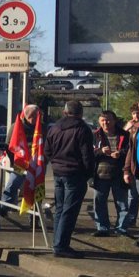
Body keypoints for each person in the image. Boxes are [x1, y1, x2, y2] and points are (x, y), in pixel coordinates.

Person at [45, 101, 96, 259]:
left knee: (60, 209)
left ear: (64, 112)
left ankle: (58, 242)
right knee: (70, 210)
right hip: (75, 173)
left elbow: (47, 151)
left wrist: (55, 163)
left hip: (58, 171)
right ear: (80, 113)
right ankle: (61, 245)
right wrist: (88, 173)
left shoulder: (54, 128)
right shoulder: (82, 129)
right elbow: (87, 155)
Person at [91, 110, 129, 237]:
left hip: (118, 174)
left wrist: (120, 153)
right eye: (102, 120)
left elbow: (129, 151)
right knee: (99, 202)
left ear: (114, 120)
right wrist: (101, 151)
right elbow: (89, 153)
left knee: (121, 203)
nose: (105, 123)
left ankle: (121, 228)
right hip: (100, 174)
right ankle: (102, 228)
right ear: (99, 121)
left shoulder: (124, 135)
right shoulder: (95, 135)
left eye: (108, 120)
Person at [0, 105, 41, 210]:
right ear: (29, 116)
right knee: (12, 185)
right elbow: (9, 145)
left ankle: (35, 215)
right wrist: (15, 160)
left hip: (36, 164)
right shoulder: (16, 127)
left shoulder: (41, 127)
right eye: (36, 116)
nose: (38, 118)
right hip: (20, 162)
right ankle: (4, 208)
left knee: (35, 189)